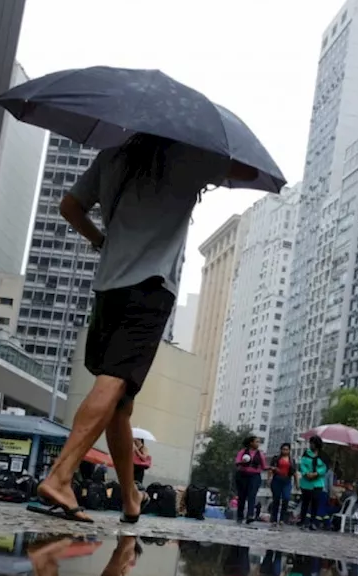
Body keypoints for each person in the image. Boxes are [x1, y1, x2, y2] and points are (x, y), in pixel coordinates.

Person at [32, 133, 260, 523]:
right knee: (113, 383)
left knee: (120, 404)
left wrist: (100, 240)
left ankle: (130, 497)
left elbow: (70, 207)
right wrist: (206, 159)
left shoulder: (111, 155)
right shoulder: (188, 157)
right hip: (150, 289)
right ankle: (60, 476)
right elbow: (248, 172)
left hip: (108, 288)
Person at [297, 436, 328, 530]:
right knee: (305, 502)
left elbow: (324, 467)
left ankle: (313, 522)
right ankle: (302, 521)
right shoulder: (306, 453)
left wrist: (317, 473)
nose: (311, 445)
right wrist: (306, 473)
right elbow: (302, 464)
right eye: (310, 443)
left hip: (318, 482)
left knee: (315, 502)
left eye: (313, 443)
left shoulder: (323, 455)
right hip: (306, 481)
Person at [233, 436, 266, 526]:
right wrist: (242, 462)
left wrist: (271, 468)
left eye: (259, 442)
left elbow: (264, 466)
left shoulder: (260, 454)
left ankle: (250, 516)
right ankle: (240, 516)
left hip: (255, 476)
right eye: (256, 442)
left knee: (252, 495)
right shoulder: (243, 452)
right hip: (242, 475)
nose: (258, 444)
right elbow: (237, 462)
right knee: (242, 496)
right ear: (251, 443)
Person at [268, 443, 296, 527]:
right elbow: (270, 469)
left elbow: (294, 472)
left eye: (286, 449)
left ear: (289, 450)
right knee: (276, 499)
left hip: (287, 481)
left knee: (286, 498)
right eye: (283, 449)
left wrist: (297, 483)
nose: (285, 451)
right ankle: (274, 519)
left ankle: (282, 519)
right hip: (277, 480)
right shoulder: (276, 458)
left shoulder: (291, 460)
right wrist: (269, 478)